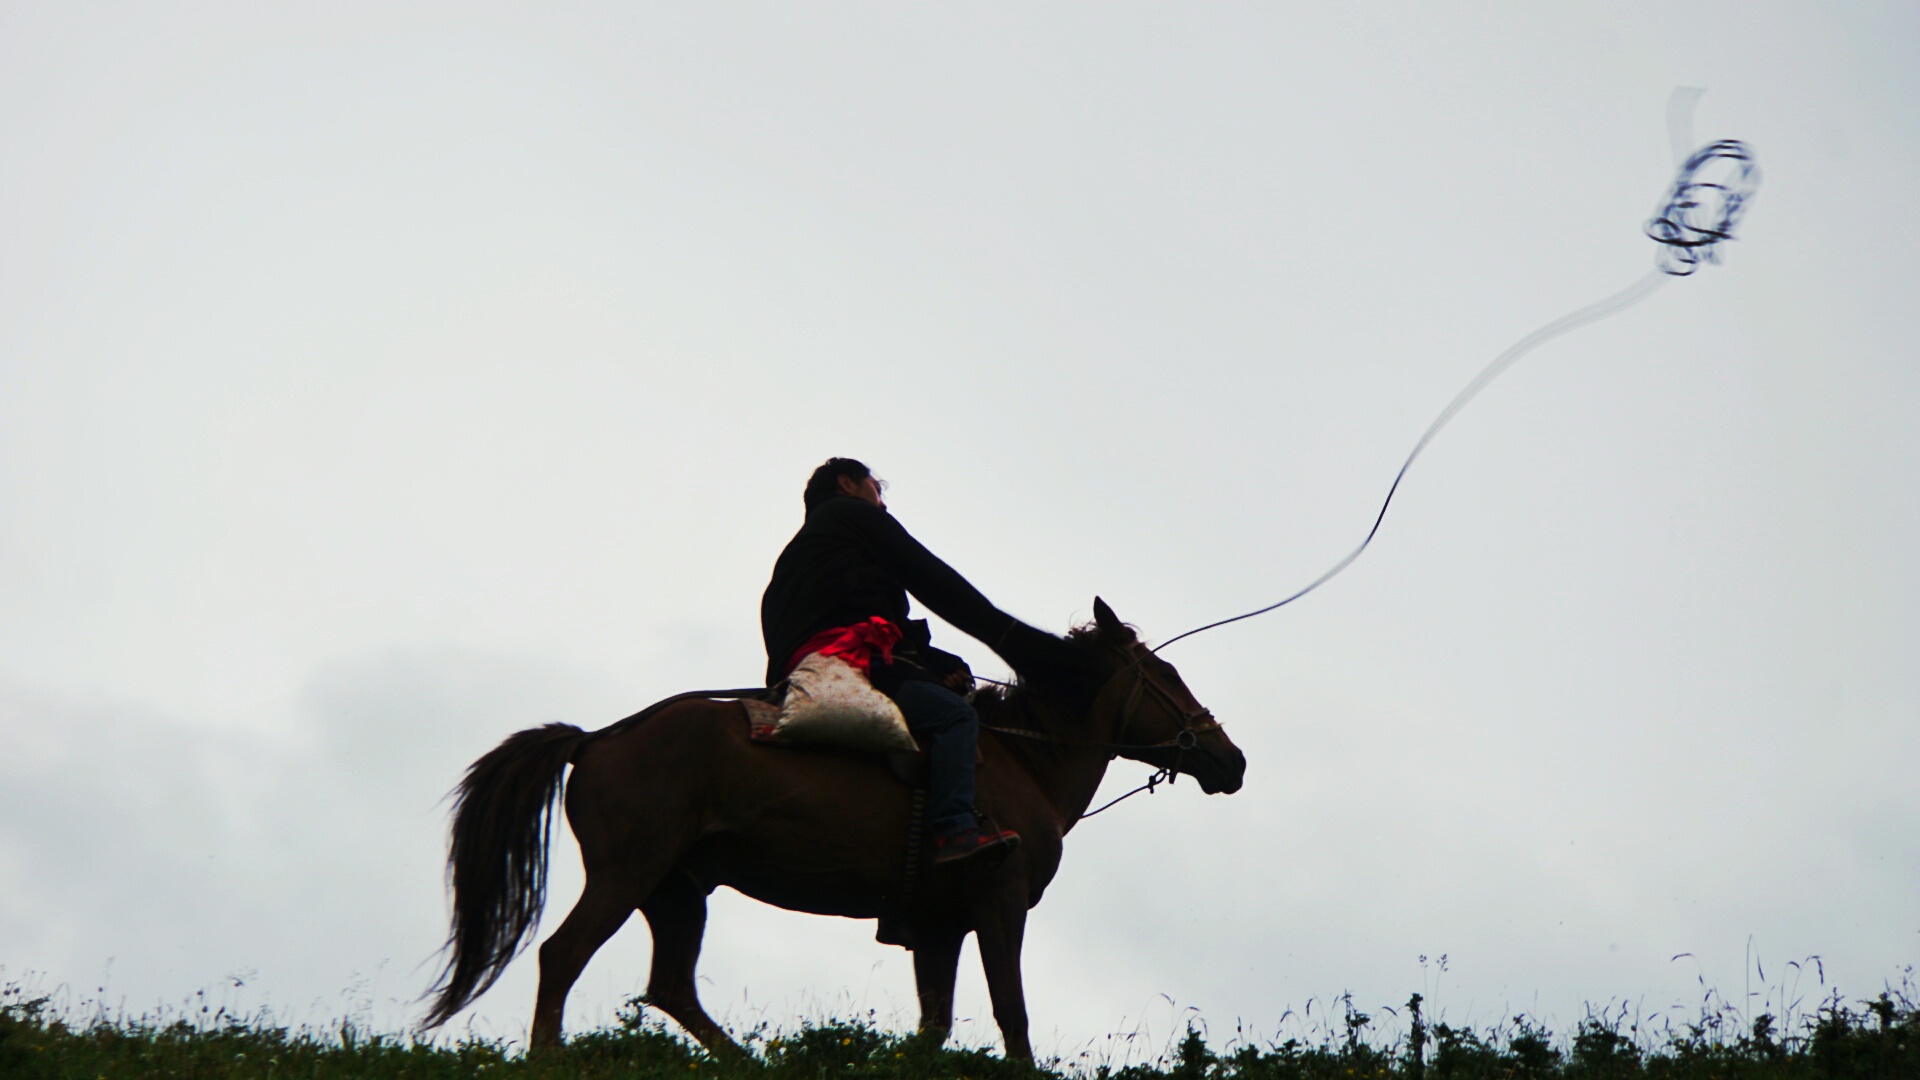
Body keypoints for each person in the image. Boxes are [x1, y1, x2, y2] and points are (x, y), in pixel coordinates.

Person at [761, 457, 1065, 867]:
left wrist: (936, 662)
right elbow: (925, 578)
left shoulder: (806, 552)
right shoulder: (850, 515)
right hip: (852, 663)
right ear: (847, 483)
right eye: (876, 488)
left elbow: (862, 616)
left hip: (801, 672)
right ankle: (955, 828)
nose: (882, 503)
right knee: (955, 718)